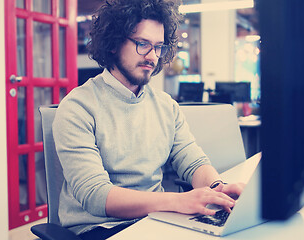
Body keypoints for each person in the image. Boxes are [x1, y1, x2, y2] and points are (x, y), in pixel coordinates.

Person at [52, 0, 244, 239]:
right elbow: (95, 195)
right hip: (100, 229)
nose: (152, 57)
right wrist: (177, 201)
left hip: (157, 221)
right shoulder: (77, 107)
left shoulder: (166, 106)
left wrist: (218, 188)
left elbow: (192, 161)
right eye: (142, 44)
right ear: (113, 42)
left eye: (159, 47)